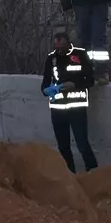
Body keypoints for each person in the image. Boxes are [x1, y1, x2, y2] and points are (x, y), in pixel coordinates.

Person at [40, 31, 98, 174]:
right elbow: (44, 84)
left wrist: (74, 84)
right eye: (57, 47)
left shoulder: (80, 54)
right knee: (63, 146)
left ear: (68, 43)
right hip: (57, 108)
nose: (60, 50)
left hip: (77, 107)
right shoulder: (51, 58)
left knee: (82, 144)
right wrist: (48, 90)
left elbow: (90, 79)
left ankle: (94, 174)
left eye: (62, 47)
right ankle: (70, 175)